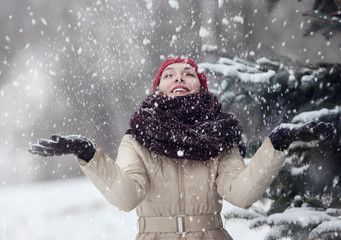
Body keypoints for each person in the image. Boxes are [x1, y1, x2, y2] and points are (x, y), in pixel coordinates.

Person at [29, 57, 335, 240]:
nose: (179, 77)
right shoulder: (136, 139)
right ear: (158, 88)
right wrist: (89, 154)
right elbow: (127, 196)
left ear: (201, 86)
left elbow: (242, 194)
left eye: (188, 74)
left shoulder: (221, 137)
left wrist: (276, 143)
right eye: (169, 74)